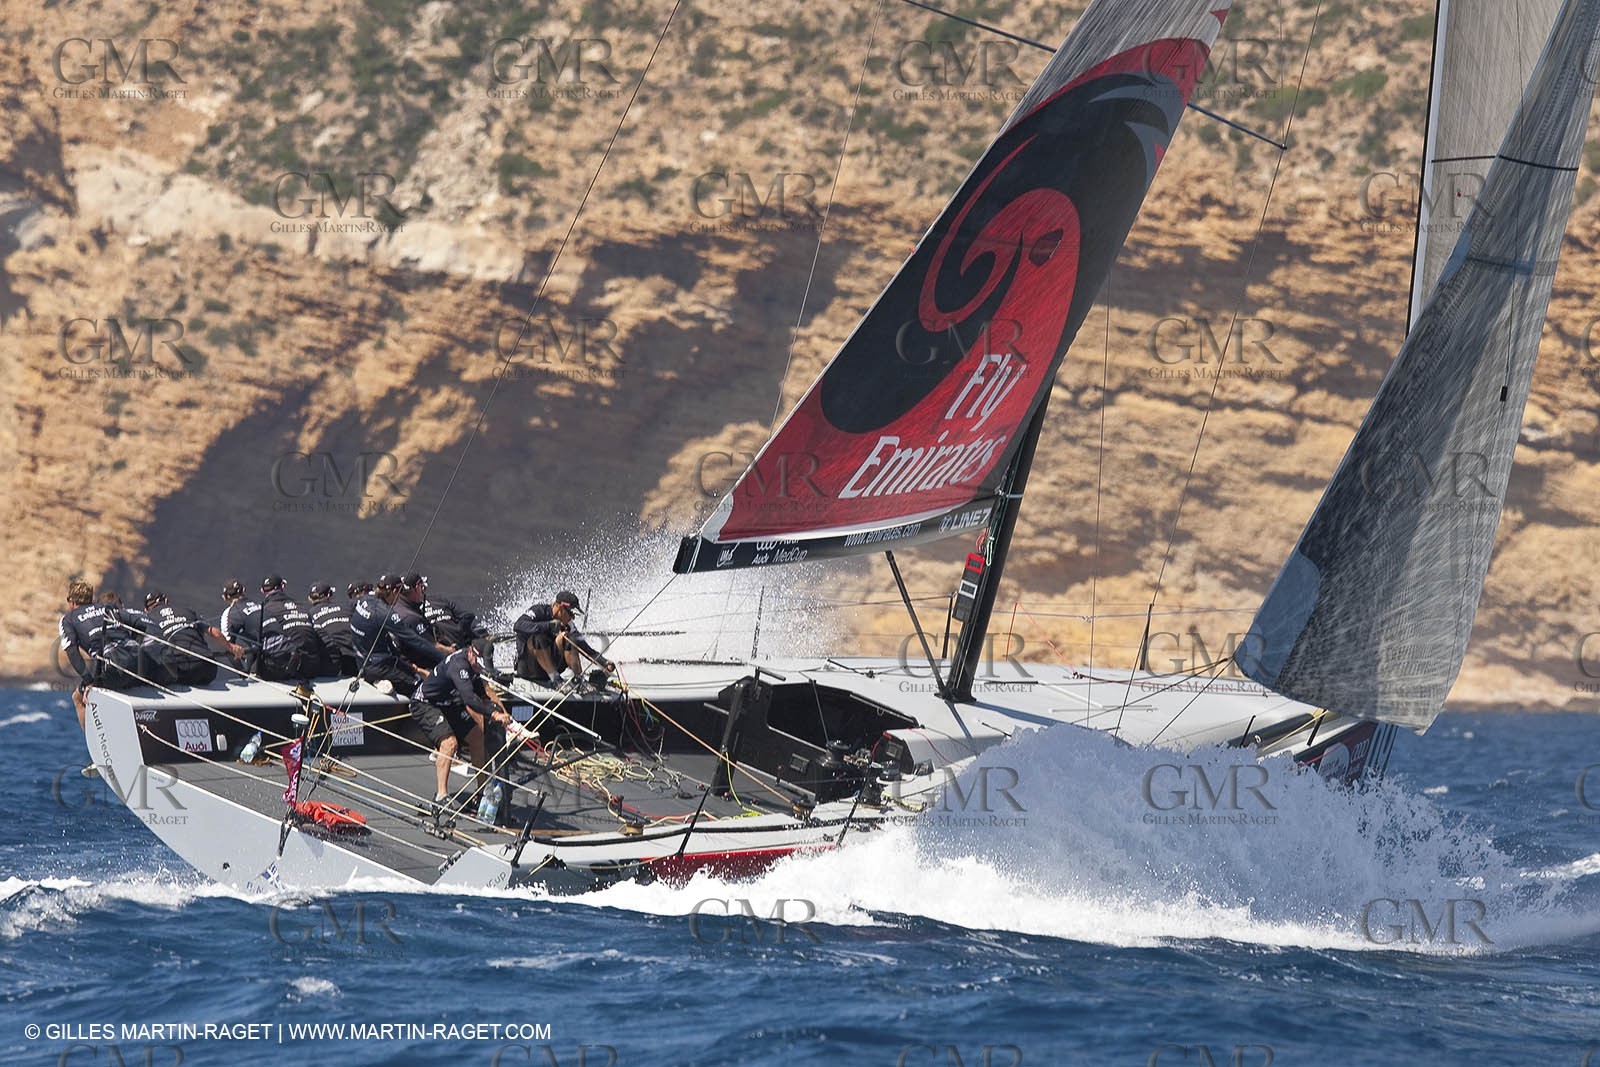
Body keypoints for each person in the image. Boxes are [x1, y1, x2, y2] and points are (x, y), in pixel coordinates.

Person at [411, 643, 511, 820]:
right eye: (478, 663)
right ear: (471, 652)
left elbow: (483, 694)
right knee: (449, 743)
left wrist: (505, 716)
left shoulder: (474, 665)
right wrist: (494, 714)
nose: (479, 668)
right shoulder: (459, 665)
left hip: (448, 703)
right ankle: (441, 796)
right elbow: (470, 699)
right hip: (426, 703)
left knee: (477, 738)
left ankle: (481, 793)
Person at [349, 573, 446, 695]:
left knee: (413, 669)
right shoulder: (386, 614)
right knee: (421, 685)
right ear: (394, 591)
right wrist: (445, 658)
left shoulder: (364, 599)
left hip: (361, 661)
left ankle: (380, 679)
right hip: (378, 666)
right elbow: (415, 640)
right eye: (399, 593)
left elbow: (350, 608)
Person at [513, 590, 614, 685]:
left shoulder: (569, 625)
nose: (572, 618)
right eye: (571, 614)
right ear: (560, 608)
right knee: (539, 638)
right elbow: (518, 625)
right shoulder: (538, 611)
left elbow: (584, 647)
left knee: (571, 639)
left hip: (549, 669)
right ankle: (556, 679)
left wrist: (604, 662)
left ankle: (579, 680)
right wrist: (549, 626)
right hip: (529, 668)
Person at [247, 575, 326, 684]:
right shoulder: (302, 607)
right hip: (311, 668)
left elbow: (256, 643)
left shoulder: (264, 611)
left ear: (262, 590)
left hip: (285, 670)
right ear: (283, 586)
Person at [140, 592, 220, 686]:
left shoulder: (147, 619)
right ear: (166, 600)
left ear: (146, 610)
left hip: (184, 668)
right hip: (209, 666)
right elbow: (214, 632)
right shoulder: (186, 610)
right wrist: (231, 647)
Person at [307, 582, 359, 676]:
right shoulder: (345, 606)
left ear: (310, 599)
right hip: (354, 656)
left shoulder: (309, 614)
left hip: (331, 662)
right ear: (328, 595)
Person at [217, 578, 260, 670]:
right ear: (243, 590)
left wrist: (242, 673)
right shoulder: (258, 604)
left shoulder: (229, 614)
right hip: (280, 649)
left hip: (262, 655)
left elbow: (228, 646)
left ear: (224, 597)